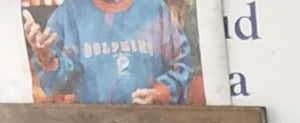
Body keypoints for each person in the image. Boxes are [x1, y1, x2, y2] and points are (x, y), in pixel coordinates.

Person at [23, 0, 192, 105]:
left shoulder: (154, 9)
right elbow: (55, 86)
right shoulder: (68, 14)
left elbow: (182, 66)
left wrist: (162, 92)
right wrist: (47, 59)